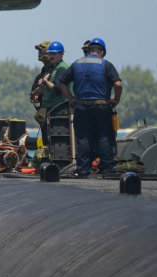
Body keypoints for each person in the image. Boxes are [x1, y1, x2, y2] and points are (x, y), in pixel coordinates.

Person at [56, 37, 122, 177]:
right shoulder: (106, 65)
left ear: (89, 50)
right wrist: (116, 99)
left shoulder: (76, 64)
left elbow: (61, 83)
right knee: (104, 137)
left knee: (83, 138)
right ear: (102, 52)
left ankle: (83, 170)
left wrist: (71, 98)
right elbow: (118, 84)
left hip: (81, 107)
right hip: (102, 107)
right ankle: (107, 169)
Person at [37, 41, 71, 162]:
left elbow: (58, 89)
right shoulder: (55, 67)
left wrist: (46, 82)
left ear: (61, 54)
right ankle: (49, 159)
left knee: (57, 137)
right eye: (50, 53)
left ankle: (56, 161)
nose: (51, 56)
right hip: (53, 107)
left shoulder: (61, 68)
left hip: (59, 108)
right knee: (49, 135)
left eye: (55, 54)